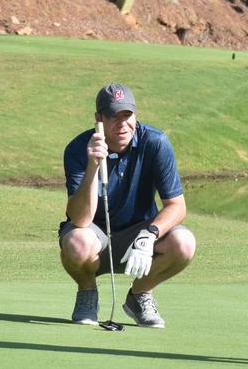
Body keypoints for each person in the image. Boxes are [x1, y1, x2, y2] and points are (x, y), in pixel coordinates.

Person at [59, 83, 196, 328]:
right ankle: (87, 292)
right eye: (114, 117)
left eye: (127, 116)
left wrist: (150, 234)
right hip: (95, 235)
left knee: (184, 243)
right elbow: (80, 219)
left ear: (135, 115)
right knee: (76, 243)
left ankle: (140, 294)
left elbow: (177, 206)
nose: (122, 124)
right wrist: (92, 166)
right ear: (98, 119)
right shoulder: (78, 149)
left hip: (140, 235)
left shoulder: (155, 142)